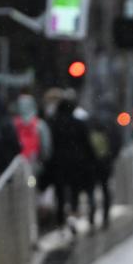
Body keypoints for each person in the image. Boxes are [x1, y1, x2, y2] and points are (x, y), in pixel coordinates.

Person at [47, 98, 96, 231]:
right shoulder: (79, 124)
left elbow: (49, 144)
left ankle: (61, 221)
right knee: (74, 192)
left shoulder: (53, 124)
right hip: (76, 163)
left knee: (60, 194)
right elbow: (87, 144)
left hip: (58, 163)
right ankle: (73, 216)